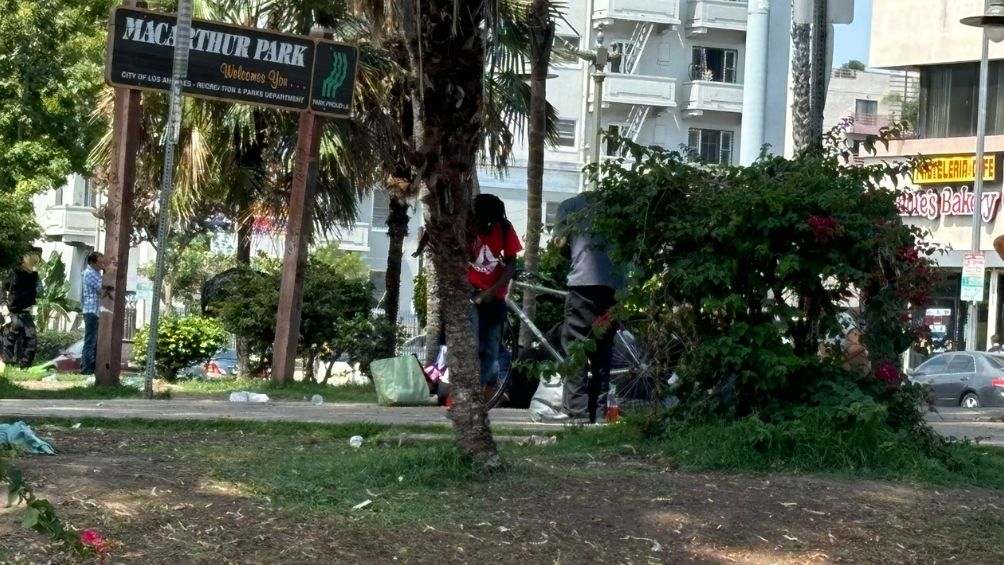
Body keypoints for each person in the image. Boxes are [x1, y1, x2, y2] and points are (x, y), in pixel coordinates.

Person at [554, 192, 625, 423]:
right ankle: (600, 413)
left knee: (577, 348)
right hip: (614, 287)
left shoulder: (568, 206)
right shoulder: (619, 207)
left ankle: (578, 412)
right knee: (602, 349)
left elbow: (560, 244)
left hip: (583, 285)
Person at [468, 194, 522, 387]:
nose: (488, 226)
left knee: (491, 350)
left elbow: (511, 265)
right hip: (469, 294)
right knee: (472, 346)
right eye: (484, 221)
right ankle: (471, 389)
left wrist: (492, 291)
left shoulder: (505, 229)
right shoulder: (466, 227)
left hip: (494, 297)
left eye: (493, 222)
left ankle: (480, 391)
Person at [1, 248, 43, 368]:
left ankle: (24, 365)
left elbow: (39, 291)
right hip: (13, 311)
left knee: (31, 340)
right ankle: (7, 364)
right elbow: (3, 288)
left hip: (25, 312)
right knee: (10, 339)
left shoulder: (34, 276)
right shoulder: (14, 273)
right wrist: (4, 305)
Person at [80, 251, 104, 375]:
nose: (102, 265)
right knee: (90, 341)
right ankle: (86, 368)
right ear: (92, 262)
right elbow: (102, 288)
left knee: (95, 341)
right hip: (91, 311)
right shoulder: (89, 273)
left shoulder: (96, 273)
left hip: (96, 311)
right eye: (100, 262)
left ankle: (92, 367)